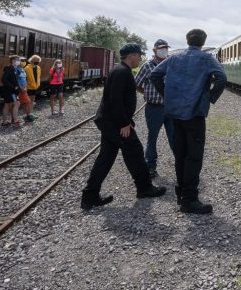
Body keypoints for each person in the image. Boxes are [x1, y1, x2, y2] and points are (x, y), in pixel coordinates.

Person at [150, 29, 227, 214]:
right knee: (193, 156)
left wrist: (167, 96)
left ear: (187, 40)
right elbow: (222, 77)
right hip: (194, 115)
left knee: (181, 154)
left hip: (175, 113)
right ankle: (189, 199)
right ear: (203, 41)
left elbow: (154, 75)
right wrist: (208, 97)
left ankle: (181, 193)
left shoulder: (175, 57)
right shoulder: (207, 58)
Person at [81, 43, 166, 210]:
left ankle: (89, 196)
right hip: (115, 123)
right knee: (134, 150)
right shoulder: (121, 72)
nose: (140, 58)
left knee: (106, 157)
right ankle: (145, 188)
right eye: (138, 55)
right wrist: (124, 123)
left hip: (110, 122)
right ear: (131, 55)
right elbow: (115, 100)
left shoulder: (120, 70)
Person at [134, 39, 174, 178]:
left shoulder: (171, 64)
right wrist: (145, 92)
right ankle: (150, 166)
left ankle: (180, 164)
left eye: (166, 48)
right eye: (161, 48)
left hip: (170, 108)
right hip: (154, 108)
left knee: (175, 137)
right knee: (152, 137)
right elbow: (136, 83)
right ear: (155, 50)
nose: (164, 51)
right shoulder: (147, 66)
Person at [1, 55, 21, 127]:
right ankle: (15, 121)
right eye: (18, 60)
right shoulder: (8, 68)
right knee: (16, 103)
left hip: (12, 91)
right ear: (13, 61)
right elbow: (4, 79)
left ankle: (5, 122)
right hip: (10, 90)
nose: (19, 61)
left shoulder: (16, 69)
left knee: (7, 105)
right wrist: (13, 87)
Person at [25, 55, 42, 120]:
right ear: (32, 60)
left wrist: (38, 84)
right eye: (36, 61)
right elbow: (25, 78)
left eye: (38, 61)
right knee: (28, 101)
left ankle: (31, 114)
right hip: (29, 87)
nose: (37, 62)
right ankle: (28, 115)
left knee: (32, 101)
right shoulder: (27, 68)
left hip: (35, 87)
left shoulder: (38, 68)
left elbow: (38, 77)